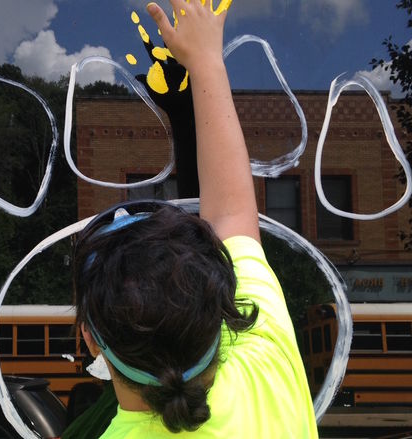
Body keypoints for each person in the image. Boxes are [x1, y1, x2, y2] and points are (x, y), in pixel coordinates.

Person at [72, 1, 318, 436]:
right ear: (225, 315)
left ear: (92, 344)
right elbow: (232, 209)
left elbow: (230, 214)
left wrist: (203, 64)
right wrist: (205, 60)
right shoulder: (267, 365)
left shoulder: (265, 355)